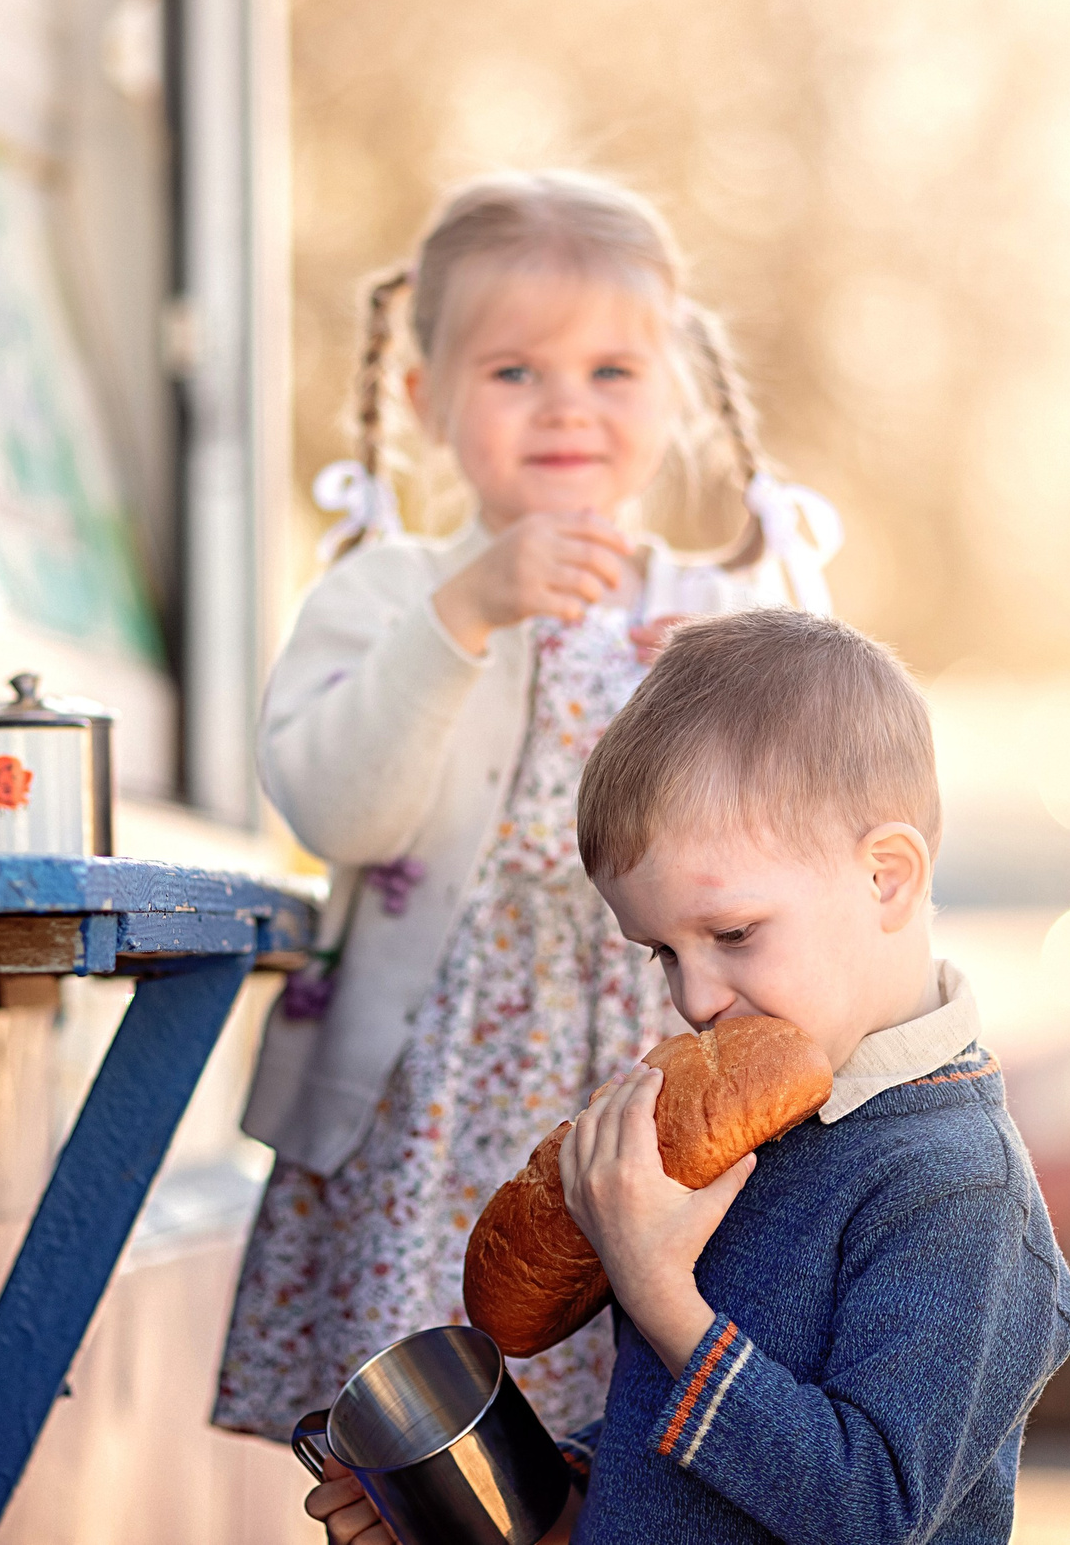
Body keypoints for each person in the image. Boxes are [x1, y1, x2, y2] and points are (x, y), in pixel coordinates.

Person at [216, 170, 842, 1441]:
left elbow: (838, 831)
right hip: (433, 1118)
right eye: (514, 372)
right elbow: (340, 811)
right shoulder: (387, 597)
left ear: (672, 393)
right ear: (423, 395)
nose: (567, 406)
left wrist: (745, 697)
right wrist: (463, 616)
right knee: (433, 1471)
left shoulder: (729, 607)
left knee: (654, 1444)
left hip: (662, 1097)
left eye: (613, 372)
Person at [306, 609, 1070, 1544]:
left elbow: (869, 1511)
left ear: (886, 877)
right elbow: (677, 1448)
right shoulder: (756, 1126)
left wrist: (659, 1292)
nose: (696, 996)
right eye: (660, 953)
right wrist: (535, 1503)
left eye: (732, 935)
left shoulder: (957, 1188)